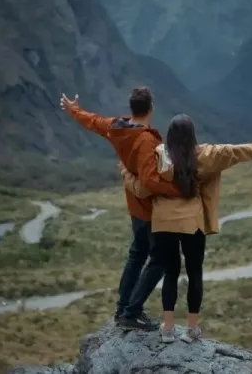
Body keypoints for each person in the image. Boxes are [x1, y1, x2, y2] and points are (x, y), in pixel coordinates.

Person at [119, 113, 252, 343]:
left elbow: (142, 189)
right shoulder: (204, 155)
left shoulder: (158, 156)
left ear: (169, 136)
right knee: (194, 273)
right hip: (193, 223)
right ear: (192, 135)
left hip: (163, 223)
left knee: (170, 274)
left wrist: (125, 173)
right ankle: (191, 330)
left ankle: (167, 329)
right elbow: (236, 152)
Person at [60, 87, 183, 331]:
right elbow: (149, 181)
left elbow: (93, 122)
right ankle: (132, 312)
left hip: (134, 206)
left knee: (138, 255)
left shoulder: (117, 126)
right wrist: (178, 191)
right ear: (151, 108)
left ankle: (123, 309)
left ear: (131, 108)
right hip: (150, 210)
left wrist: (73, 109)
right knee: (163, 259)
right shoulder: (146, 140)